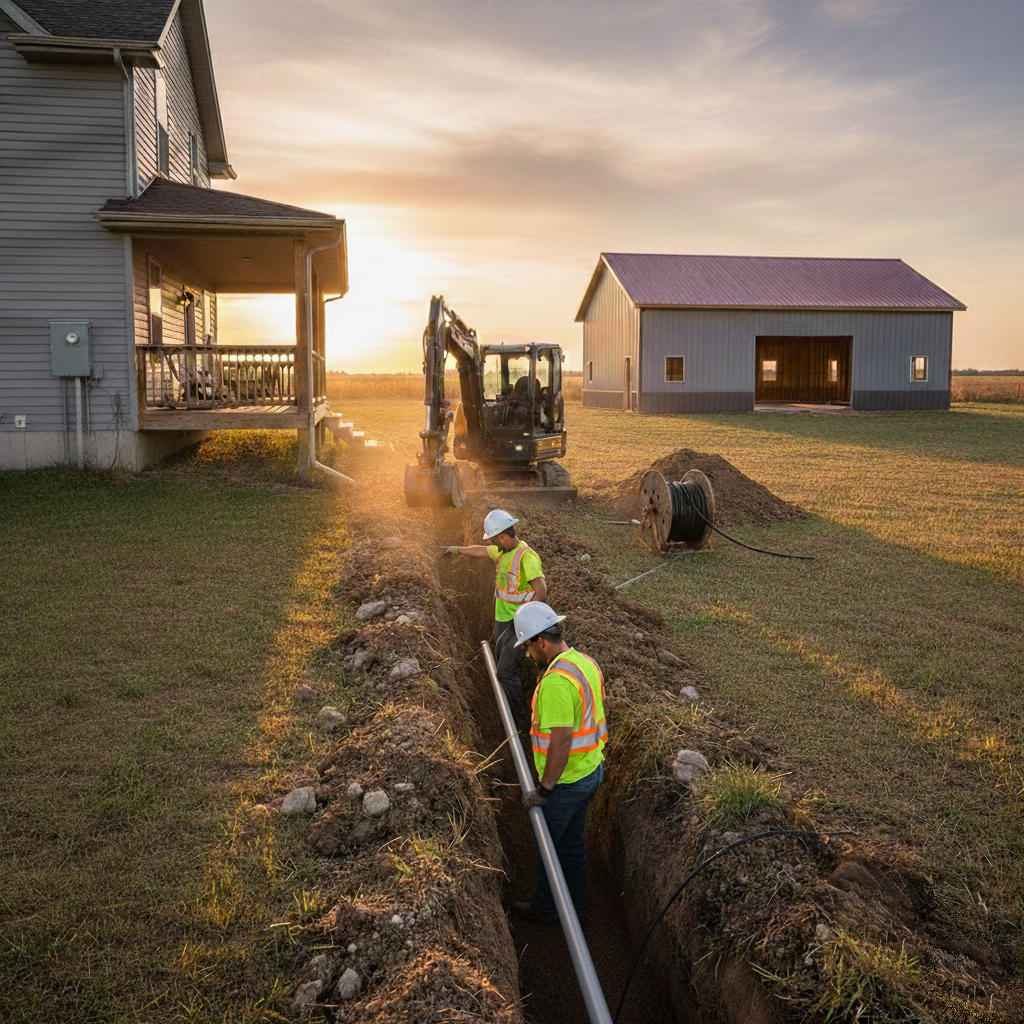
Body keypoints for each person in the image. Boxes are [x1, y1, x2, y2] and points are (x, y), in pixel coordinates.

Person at [510, 601, 607, 926]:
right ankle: (576, 904)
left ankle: (547, 909)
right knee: (572, 843)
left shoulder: (554, 684)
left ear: (540, 641)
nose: (526, 654)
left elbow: (562, 741)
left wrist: (544, 788)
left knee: (548, 847)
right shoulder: (584, 662)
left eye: (526, 646)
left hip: (566, 782)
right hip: (591, 770)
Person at [445, 509, 546, 722]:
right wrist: (457, 549)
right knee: (504, 661)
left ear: (502, 536)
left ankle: (520, 718)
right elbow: (481, 551)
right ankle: (509, 701)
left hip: (518, 624)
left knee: (505, 672)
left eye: (493, 539)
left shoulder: (526, 557)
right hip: (502, 619)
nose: (492, 543)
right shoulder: (502, 550)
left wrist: (527, 622)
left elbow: (541, 590)